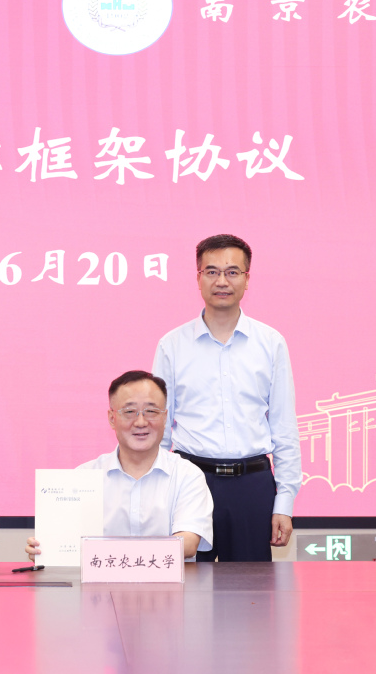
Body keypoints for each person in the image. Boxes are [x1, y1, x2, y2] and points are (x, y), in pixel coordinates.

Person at [152, 233, 301, 562]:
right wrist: (158, 494)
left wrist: (285, 503)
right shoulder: (172, 345)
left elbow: (284, 426)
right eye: (212, 271)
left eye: (233, 272)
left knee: (252, 590)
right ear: (198, 278)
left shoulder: (271, 343)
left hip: (253, 485)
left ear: (247, 279)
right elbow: (158, 429)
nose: (222, 281)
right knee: (187, 587)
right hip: (191, 481)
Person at [26, 370, 213, 561]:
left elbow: (188, 544)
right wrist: (46, 549)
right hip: (99, 582)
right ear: (112, 418)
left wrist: (113, 554)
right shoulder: (84, 476)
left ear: (165, 418)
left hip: (168, 581)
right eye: (129, 412)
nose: (141, 422)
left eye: (151, 411)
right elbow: (64, 543)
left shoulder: (187, 475)